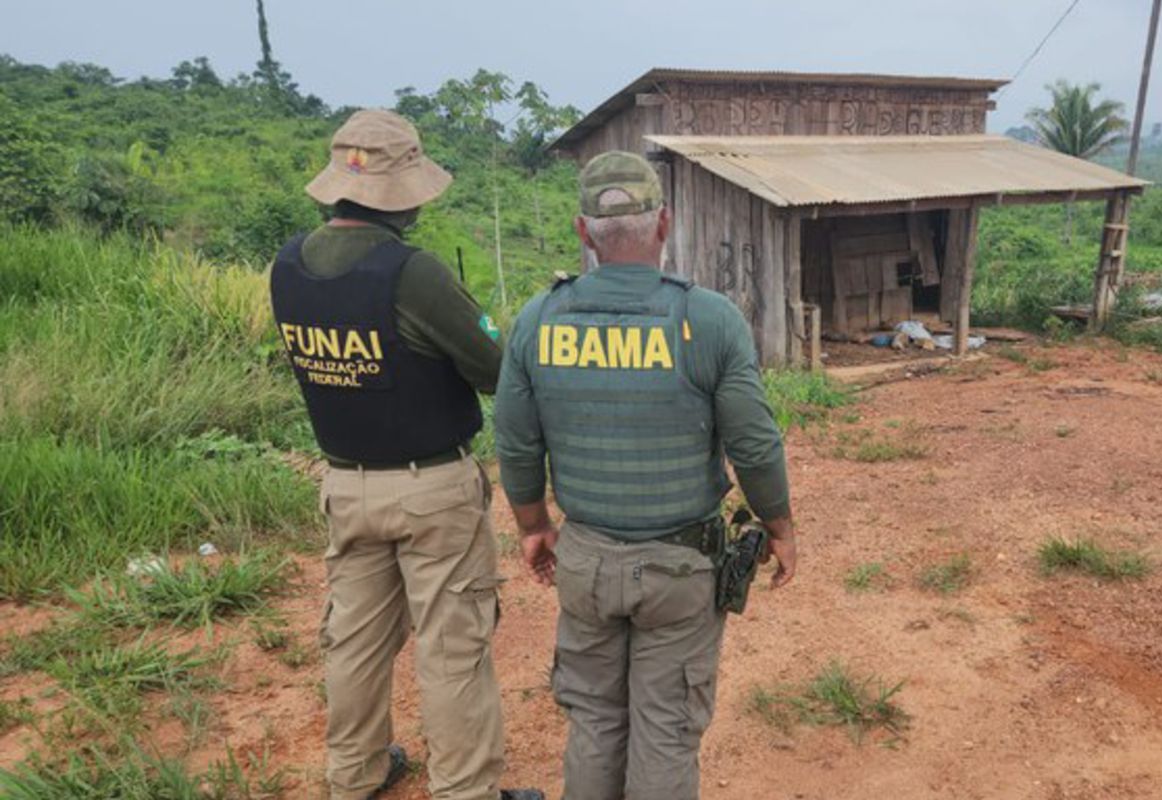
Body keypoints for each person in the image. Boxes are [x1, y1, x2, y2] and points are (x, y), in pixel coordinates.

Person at [495, 151, 798, 800]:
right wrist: (780, 527)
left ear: (584, 232)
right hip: (680, 570)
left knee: (595, 723)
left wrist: (532, 525)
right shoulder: (707, 319)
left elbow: (516, 442)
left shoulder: (538, 320)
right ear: (664, 223)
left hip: (584, 560)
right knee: (665, 730)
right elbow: (753, 443)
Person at [270, 108, 542, 800]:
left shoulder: (288, 267)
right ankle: (466, 790)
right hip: (431, 489)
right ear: (403, 196)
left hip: (345, 485)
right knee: (451, 645)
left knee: (354, 640)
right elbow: (496, 366)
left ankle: (354, 775)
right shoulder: (412, 273)